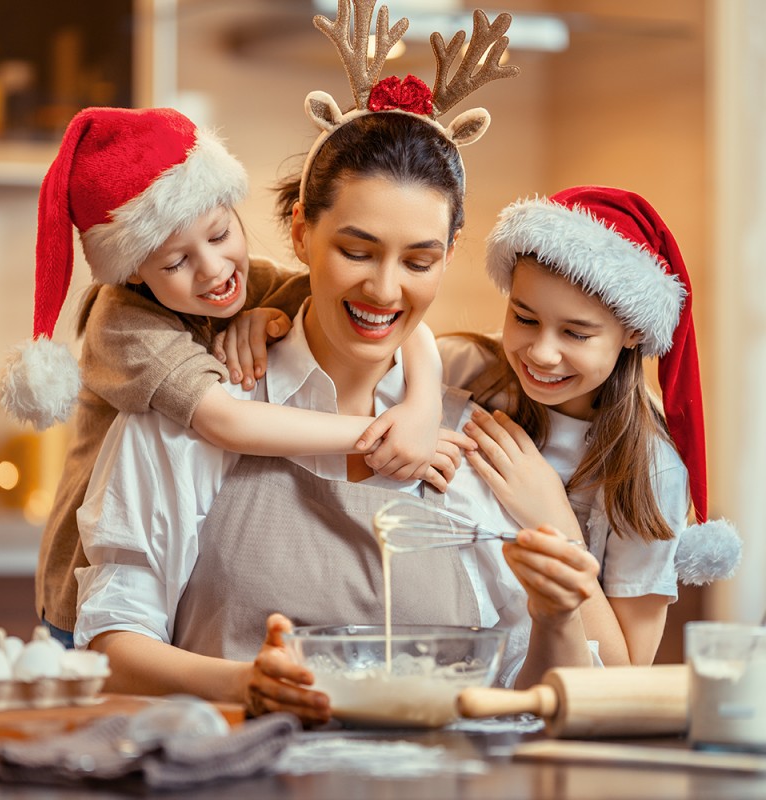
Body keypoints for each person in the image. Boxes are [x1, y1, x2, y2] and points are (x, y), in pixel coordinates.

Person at [72, 2, 605, 723]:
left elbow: (526, 706)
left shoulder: (479, 445)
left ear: (448, 258)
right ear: (300, 234)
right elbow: (108, 644)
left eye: (418, 260)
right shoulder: (186, 416)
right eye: (356, 251)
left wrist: (556, 616)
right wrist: (242, 683)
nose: (384, 290)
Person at [0, 106, 470, 647]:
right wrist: (384, 436)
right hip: (83, 590)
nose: (214, 270)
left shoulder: (260, 283)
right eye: (175, 262)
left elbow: (390, 318)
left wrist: (423, 406)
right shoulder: (124, 326)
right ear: (132, 270)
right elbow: (226, 422)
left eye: (221, 235)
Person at [439, 185, 741, 667]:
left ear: (633, 332)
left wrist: (553, 517)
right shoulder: (462, 368)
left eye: (576, 333)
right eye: (524, 317)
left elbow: (626, 668)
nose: (541, 352)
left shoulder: (651, 468)